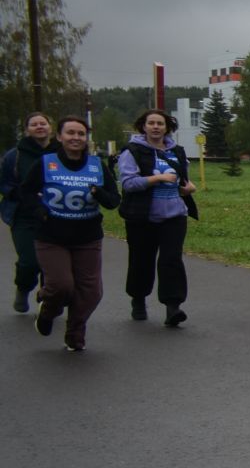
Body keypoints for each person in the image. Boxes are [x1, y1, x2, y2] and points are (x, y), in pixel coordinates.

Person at [16, 115, 121, 351]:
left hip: (87, 236)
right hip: (52, 235)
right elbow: (26, 192)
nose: (76, 138)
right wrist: (39, 211)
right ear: (60, 137)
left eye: (80, 134)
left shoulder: (96, 166)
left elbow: (114, 200)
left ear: (86, 138)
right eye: (70, 133)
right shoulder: (45, 163)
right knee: (61, 285)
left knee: (91, 292)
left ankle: (74, 333)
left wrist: (99, 194)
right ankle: (48, 310)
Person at [117, 108, 197, 327]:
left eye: (160, 124)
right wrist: (156, 178)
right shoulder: (132, 151)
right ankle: (138, 298)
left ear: (167, 128)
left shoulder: (177, 152)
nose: (155, 127)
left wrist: (188, 188)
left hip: (174, 215)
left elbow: (181, 182)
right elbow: (128, 184)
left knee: (171, 260)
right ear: (143, 126)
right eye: (151, 123)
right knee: (141, 260)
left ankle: (173, 307)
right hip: (142, 216)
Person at [1, 111, 54, 314]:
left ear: (50, 127)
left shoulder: (60, 152)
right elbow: (4, 183)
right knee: (30, 260)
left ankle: (47, 297)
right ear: (27, 130)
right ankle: (23, 288)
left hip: (55, 215)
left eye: (43, 123)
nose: (39, 127)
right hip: (24, 215)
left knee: (52, 263)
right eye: (34, 124)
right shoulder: (14, 155)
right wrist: (19, 193)